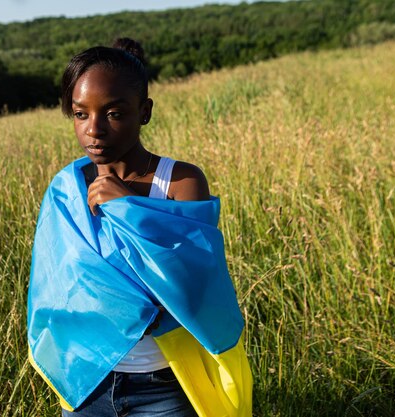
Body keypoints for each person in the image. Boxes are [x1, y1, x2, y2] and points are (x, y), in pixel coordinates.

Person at [27, 38, 252, 417]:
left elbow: (196, 291)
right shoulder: (66, 189)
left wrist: (126, 207)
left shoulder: (179, 182)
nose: (93, 130)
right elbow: (54, 291)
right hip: (87, 380)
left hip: (162, 386)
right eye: (81, 115)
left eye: (113, 113)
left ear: (143, 111)